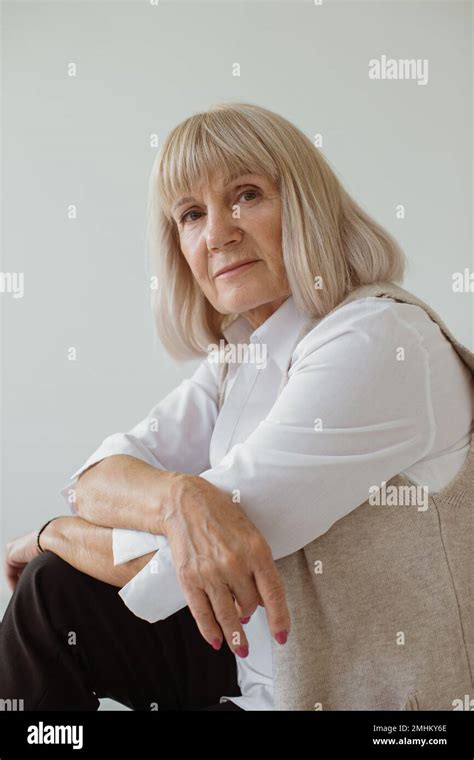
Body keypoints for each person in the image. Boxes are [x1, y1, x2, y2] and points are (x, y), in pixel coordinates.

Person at [1, 102, 472, 711]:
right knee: (55, 593)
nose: (218, 232)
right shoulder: (242, 355)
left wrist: (50, 535)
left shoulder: (377, 340)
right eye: (192, 214)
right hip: (260, 679)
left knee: (56, 568)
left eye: (246, 195)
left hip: (384, 711)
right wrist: (180, 497)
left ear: (304, 207)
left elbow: (188, 564)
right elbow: (98, 477)